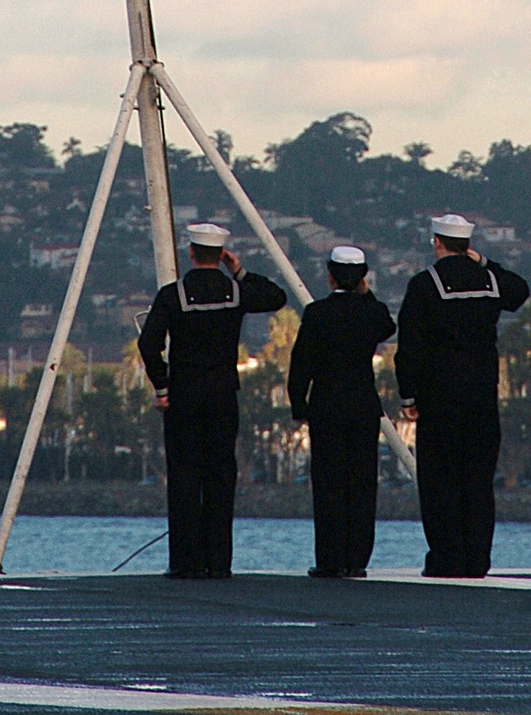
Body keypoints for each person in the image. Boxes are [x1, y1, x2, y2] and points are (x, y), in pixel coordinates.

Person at [138, 221, 286, 578]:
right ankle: (219, 561)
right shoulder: (236, 292)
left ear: (190, 253)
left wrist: (162, 387)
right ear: (221, 254)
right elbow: (276, 297)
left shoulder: (173, 295)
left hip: (184, 395)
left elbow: (148, 343)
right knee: (221, 475)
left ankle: (185, 561)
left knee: (184, 475)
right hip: (222, 395)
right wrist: (239, 270)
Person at [395, 213, 529, 579]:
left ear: (437, 242)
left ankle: (446, 556)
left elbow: (409, 346)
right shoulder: (490, 281)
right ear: (467, 245)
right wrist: (485, 263)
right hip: (482, 396)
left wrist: (408, 397)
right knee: (477, 481)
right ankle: (477, 558)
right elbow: (520, 291)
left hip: (439, 397)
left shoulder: (424, 285)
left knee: (440, 482)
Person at [288, 245, 396, 579]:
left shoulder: (317, 313)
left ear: (330, 275)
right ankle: (357, 559)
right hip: (363, 405)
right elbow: (387, 324)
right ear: (363, 277)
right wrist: (366, 293)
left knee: (328, 483)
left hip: (326, 404)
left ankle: (330, 558)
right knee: (362, 483)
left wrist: (298, 404)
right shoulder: (372, 314)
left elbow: (300, 363)